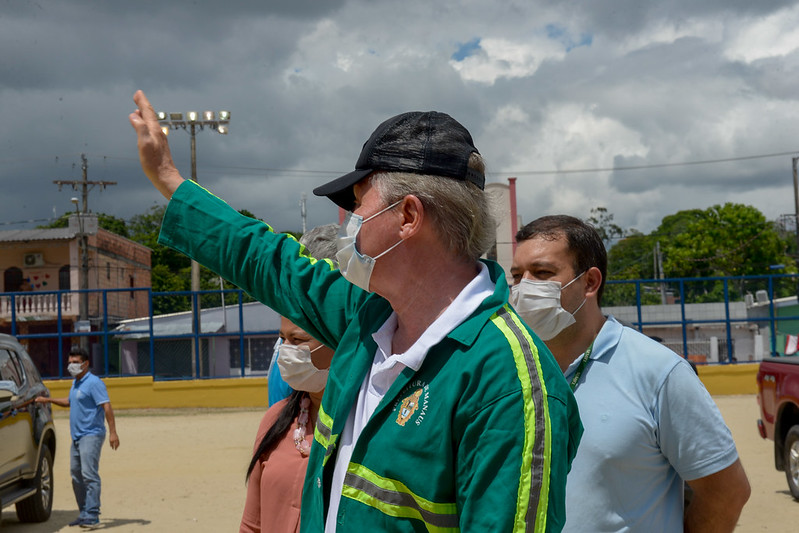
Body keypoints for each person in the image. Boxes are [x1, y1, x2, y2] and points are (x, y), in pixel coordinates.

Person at [130, 90, 581, 532]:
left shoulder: (509, 381)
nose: (349, 224)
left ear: (408, 216)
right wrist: (169, 178)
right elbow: (271, 261)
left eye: (359, 204)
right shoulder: (365, 318)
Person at [509, 215, 751, 532]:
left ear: (590, 283)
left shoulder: (658, 371)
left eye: (542, 273)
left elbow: (726, 492)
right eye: (517, 276)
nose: (524, 288)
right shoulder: (510, 368)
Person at [241, 224, 339, 533]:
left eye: (297, 340)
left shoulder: (371, 422)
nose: (286, 351)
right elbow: (253, 522)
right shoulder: (277, 418)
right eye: (283, 339)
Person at [36, 346, 120, 529]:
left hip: (91, 435)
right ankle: (84, 512)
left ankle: (92, 515)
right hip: (77, 437)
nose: (71, 366)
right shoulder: (76, 382)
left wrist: (113, 432)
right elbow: (70, 401)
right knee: (76, 474)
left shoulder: (94, 382)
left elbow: (106, 406)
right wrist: (47, 400)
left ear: (86, 363)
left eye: (75, 363)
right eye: (69, 363)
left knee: (89, 475)